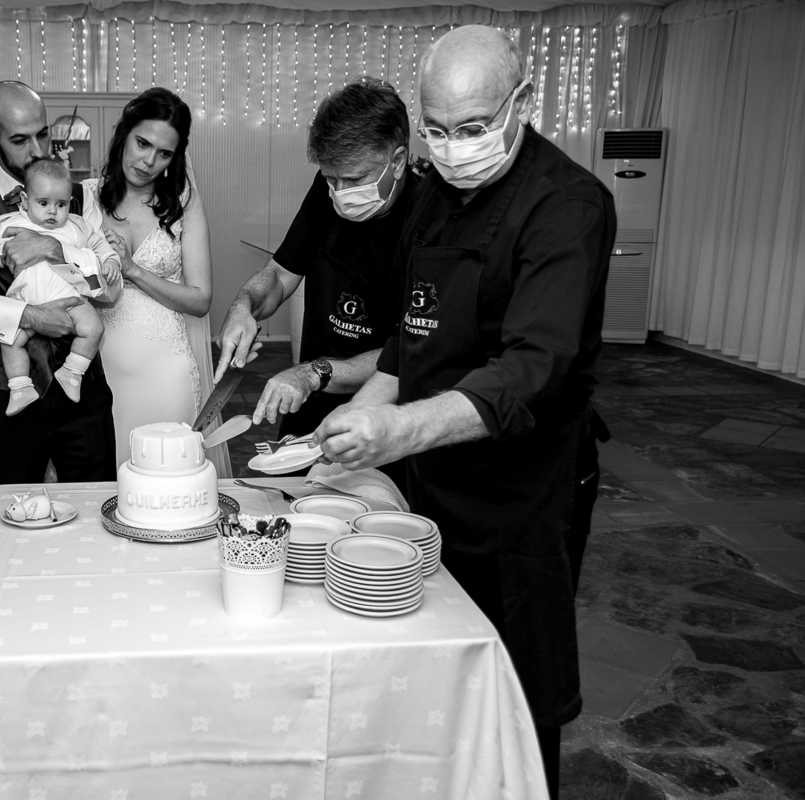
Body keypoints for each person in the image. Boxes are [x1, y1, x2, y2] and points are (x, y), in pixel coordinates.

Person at [313, 26, 616, 799]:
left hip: (522, 497)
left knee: (515, 692)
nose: (454, 149)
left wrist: (397, 429)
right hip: (433, 483)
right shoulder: (430, 201)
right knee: (436, 674)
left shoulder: (569, 207)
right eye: (439, 130)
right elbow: (408, 345)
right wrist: (355, 424)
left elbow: (530, 373)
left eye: (475, 128)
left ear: (522, 102)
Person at [213, 77, 414, 483]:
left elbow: (407, 351)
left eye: (354, 180)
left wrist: (311, 373)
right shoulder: (330, 190)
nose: (339, 194)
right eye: (330, 179)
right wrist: (244, 307)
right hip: (309, 398)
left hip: (382, 415)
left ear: (396, 160)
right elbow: (282, 273)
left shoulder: (429, 222)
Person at [0, 81, 121, 486]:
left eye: (43, 133)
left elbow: (111, 292)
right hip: (8, 392)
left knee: (95, 508)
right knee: (11, 515)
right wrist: (29, 315)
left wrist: (55, 249)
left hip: (83, 390)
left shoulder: (81, 201)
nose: (37, 150)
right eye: (19, 139)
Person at [77, 88, 230, 475]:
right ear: (123, 135)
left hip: (167, 372)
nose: (149, 161)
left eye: (164, 153)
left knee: (169, 479)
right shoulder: (83, 199)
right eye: (142, 143)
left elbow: (200, 299)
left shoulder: (184, 203)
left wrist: (133, 270)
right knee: (104, 484)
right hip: (99, 372)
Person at [0, 158, 121, 416]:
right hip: (25, 302)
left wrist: (111, 261)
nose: (52, 212)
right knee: (8, 339)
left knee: (94, 328)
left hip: (70, 299)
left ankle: (72, 371)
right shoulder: (7, 225)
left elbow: (101, 247)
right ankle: (20, 387)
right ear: (25, 200)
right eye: (43, 203)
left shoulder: (78, 226)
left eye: (61, 204)